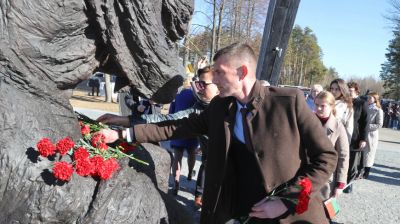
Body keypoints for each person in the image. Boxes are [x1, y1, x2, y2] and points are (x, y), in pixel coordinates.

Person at [99, 43, 337, 223]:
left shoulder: (288, 102)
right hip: (242, 212)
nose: (213, 79)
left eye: (220, 73)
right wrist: (122, 135)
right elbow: (175, 126)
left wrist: (286, 201)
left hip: (293, 216)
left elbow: (326, 158)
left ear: (242, 72)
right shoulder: (220, 107)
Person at [97, 66, 218, 207]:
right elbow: (165, 122)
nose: (199, 88)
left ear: (219, 84)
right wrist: (123, 121)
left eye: (204, 84)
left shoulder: (231, 108)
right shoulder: (199, 108)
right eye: (198, 84)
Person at [314, 91, 349, 202]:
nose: (318, 108)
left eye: (322, 106)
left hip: (326, 178)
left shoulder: (338, 126)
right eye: (316, 105)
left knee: (323, 213)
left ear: (331, 106)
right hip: (306, 176)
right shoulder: (308, 121)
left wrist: (340, 183)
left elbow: (344, 155)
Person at [344, 81, 368, 193]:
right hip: (343, 135)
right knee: (343, 161)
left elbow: (365, 123)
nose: (349, 92)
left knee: (352, 163)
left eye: (351, 90)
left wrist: (363, 139)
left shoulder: (362, 103)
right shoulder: (344, 102)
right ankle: (340, 182)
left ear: (356, 91)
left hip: (355, 137)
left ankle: (349, 184)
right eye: (347, 90)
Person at [364, 92, 384, 179]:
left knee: (369, 154)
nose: (368, 99)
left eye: (370, 98)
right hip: (363, 133)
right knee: (362, 153)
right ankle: (360, 171)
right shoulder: (365, 107)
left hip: (371, 135)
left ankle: (366, 172)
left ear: (375, 99)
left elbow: (379, 124)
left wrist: (367, 126)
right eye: (368, 97)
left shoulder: (378, 110)